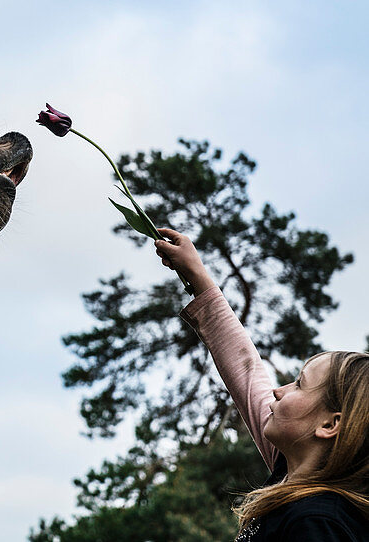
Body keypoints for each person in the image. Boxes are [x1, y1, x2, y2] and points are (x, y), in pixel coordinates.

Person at [154, 227, 369, 541]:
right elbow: (246, 373)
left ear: (330, 424)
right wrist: (196, 275)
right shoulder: (293, 477)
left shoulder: (317, 522)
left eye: (299, 384)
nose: (278, 390)